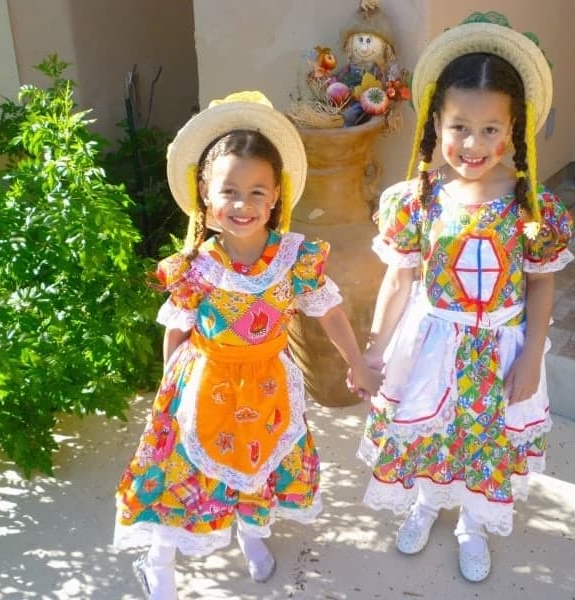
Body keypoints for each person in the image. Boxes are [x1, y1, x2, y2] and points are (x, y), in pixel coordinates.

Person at [113, 90, 381, 599]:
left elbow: (330, 313)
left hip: (267, 388)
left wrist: (358, 365)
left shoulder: (293, 258)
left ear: (277, 195)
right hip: (204, 386)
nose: (243, 204)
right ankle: (160, 561)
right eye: (230, 191)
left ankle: (251, 532)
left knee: (260, 466)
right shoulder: (195, 267)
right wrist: (167, 391)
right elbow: (178, 327)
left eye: (258, 191)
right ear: (206, 196)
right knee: (179, 472)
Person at [357, 12, 574, 583]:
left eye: (490, 129)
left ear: (514, 130)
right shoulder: (418, 199)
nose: (472, 145)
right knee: (430, 429)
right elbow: (400, 279)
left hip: (499, 349)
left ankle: (472, 524)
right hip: (430, 342)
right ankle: (426, 504)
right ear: (436, 123)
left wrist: (531, 355)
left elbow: (541, 282)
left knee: (484, 439)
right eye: (458, 127)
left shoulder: (531, 207)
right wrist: (376, 350)